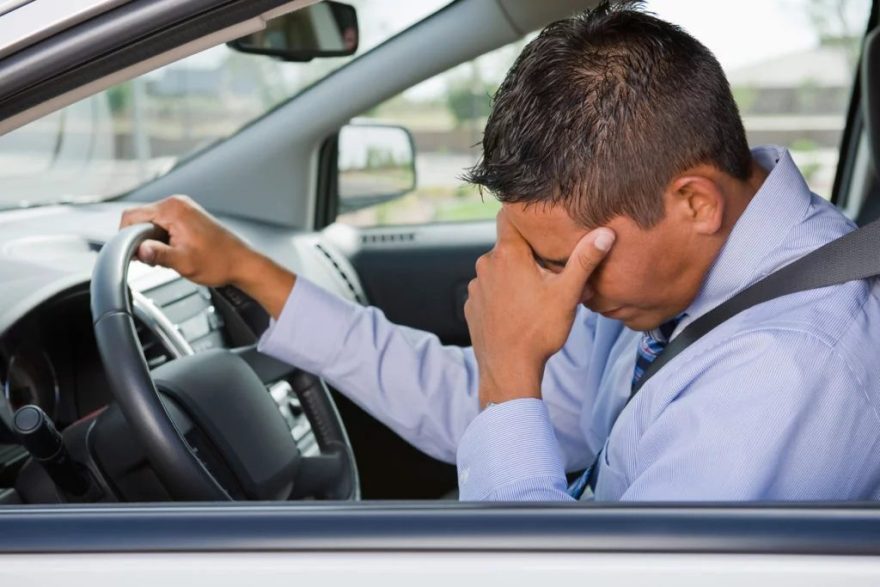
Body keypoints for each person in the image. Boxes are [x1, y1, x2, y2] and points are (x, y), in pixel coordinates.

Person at [120, 1, 880, 501]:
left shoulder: (786, 371)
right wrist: (253, 273)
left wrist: (510, 378)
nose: (560, 288)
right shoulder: (666, 278)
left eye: (563, 259)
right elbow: (528, 424)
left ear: (694, 203)